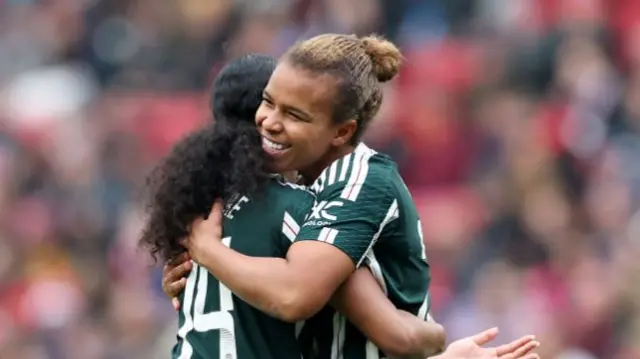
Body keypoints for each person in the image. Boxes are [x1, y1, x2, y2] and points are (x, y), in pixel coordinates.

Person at [175, 34, 538, 359]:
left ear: (342, 131)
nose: (269, 121)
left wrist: (208, 251)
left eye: (294, 114)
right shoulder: (292, 189)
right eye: (268, 102)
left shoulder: (361, 181)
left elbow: (296, 294)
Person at [140, 54, 447, 359]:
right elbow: (394, 332)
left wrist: (206, 254)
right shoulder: (298, 211)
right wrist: (440, 339)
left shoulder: (196, 211)